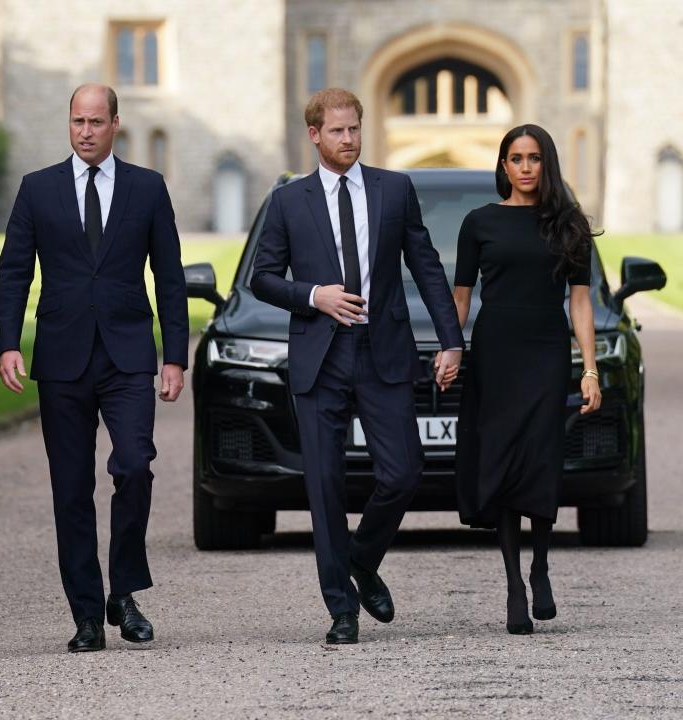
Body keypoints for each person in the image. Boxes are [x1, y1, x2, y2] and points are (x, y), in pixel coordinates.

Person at [251, 88, 464, 644]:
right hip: (319, 356)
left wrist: (451, 339)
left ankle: (362, 559)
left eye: (355, 129)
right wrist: (314, 295)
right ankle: (341, 610)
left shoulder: (394, 189)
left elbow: (427, 266)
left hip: (382, 351)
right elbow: (262, 277)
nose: (348, 139)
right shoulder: (288, 202)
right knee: (324, 487)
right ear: (315, 135)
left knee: (403, 472)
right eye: (337, 131)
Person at [0, 84, 188, 653]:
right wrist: (9, 343)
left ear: (115, 125)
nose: (85, 131)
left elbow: (171, 278)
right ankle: (85, 614)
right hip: (62, 357)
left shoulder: (147, 188)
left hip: (128, 355)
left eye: (96, 121)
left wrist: (173, 355)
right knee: (71, 488)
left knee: (133, 467)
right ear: (69, 124)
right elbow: (13, 274)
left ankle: (123, 591)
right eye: (77, 121)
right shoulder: (37, 190)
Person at [451, 124, 602, 635]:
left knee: (540, 457)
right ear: (503, 166)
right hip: (496, 354)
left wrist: (590, 369)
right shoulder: (479, 223)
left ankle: (540, 567)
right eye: (515, 158)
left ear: (546, 164)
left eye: (534, 158)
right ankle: (513, 582)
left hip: (547, 352)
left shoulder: (569, 225)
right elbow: (461, 298)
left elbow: (580, 302)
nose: (524, 167)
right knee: (503, 459)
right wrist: (452, 349)